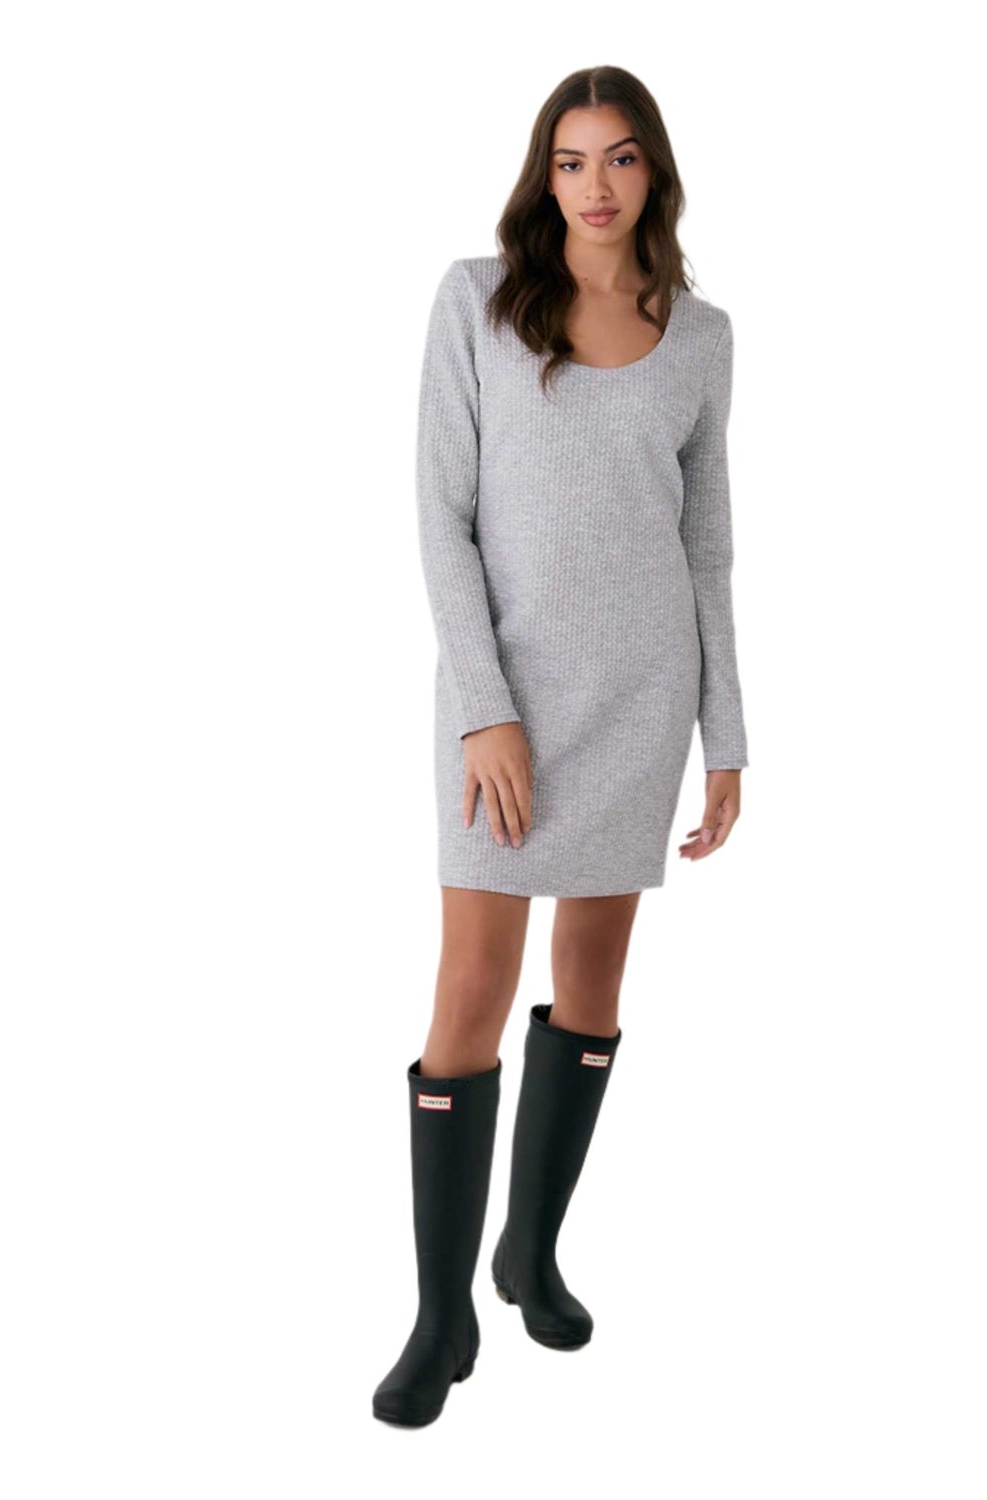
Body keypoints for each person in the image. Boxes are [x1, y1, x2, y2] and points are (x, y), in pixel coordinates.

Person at [372, 64, 750, 1427]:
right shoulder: (476, 301)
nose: (597, 184)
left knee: (590, 984)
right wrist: (486, 708)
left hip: (642, 696)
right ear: (546, 174)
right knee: (471, 988)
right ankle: (441, 1317)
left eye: (622, 157)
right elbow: (441, 515)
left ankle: (529, 1254)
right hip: (506, 704)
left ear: (655, 175)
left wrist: (726, 734)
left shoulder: (700, 336)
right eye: (574, 159)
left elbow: (706, 549)